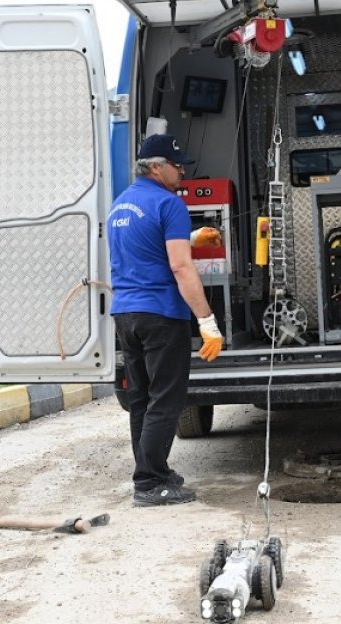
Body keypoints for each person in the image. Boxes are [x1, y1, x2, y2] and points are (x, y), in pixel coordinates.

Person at [107, 133, 224, 507]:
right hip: (160, 314)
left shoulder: (120, 205)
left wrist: (188, 236)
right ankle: (149, 483)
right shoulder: (169, 203)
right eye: (177, 166)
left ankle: (153, 472)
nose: (182, 172)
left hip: (126, 314)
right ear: (156, 167)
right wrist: (206, 320)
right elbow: (179, 266)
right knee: (166, 400)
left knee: (141, 398)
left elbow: (146, 247)